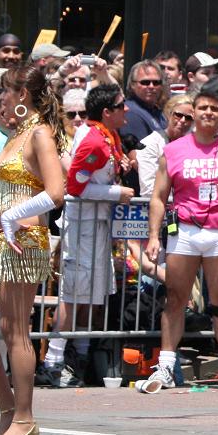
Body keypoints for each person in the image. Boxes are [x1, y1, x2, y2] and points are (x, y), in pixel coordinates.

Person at [0, 60, 69, 435]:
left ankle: (24, 420)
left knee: (14, 330)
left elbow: (56, 192)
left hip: (22, 241)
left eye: (4, 90)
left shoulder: (39, 133)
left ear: (21, 94)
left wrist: (12, 214)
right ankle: (8, 408)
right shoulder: (15, 135)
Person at [141, 89, 218, 392]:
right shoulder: (174, 149)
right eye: (203, 108)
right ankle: (166, 366)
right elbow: (158, 197)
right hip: (184, 230)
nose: (208, 113)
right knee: (176, 297)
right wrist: (154, 235)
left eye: (214, 109)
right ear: (194, 112)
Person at [43, 84, 134, 389]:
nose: (127, 110)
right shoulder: (94, 140)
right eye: (122, 106)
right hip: (82, 226)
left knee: (93, 292)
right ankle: (54, 361)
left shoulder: (108, 136)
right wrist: (115, 192)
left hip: (98, 224)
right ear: (107, 112)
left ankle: (79, 356)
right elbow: (75, 187)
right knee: (73, 292)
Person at [136, 93, 194, 198]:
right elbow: (148, 189)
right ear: (168, 114)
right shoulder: (150, 144)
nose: (182, 121)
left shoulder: (195, 145)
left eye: (189, 118)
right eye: (178, 115)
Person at [121, 60, 166, 147]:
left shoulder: (157, 111)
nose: (151, 86)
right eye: (145, 82)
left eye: (156, 83)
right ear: (132, 85)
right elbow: (139, 152)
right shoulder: (130, 113)